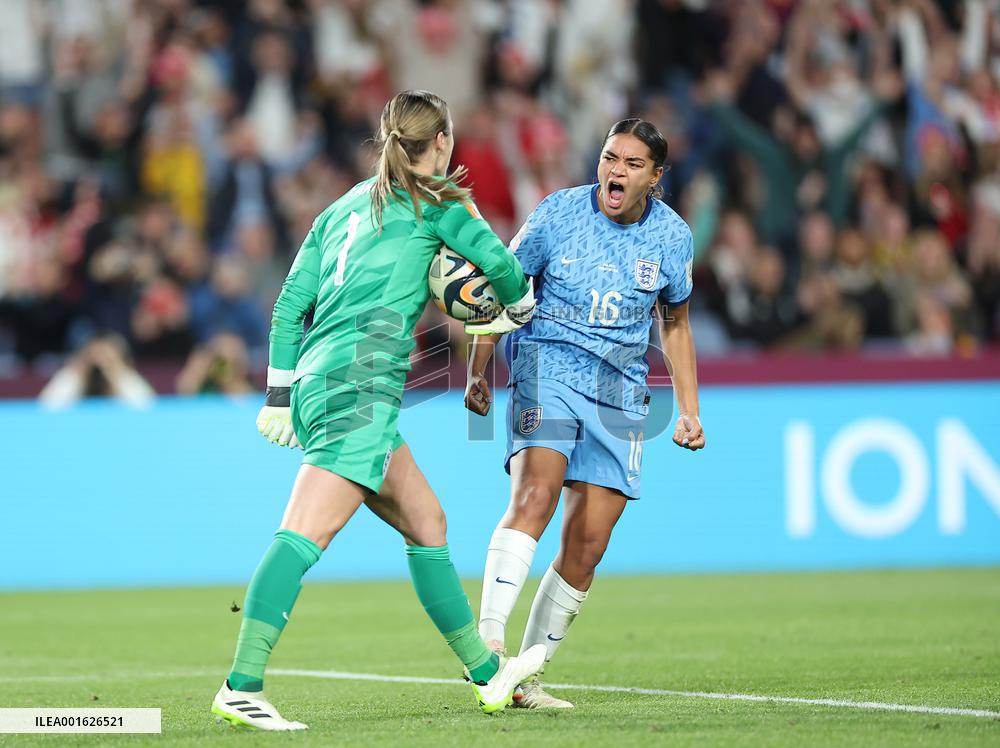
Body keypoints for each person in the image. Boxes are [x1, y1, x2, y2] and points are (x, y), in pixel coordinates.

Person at [211, 90, 545, 731]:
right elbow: (501, 264)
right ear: (442, 142)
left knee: (427, 521)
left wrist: (280, 395)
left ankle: (486, 674)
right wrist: (519, 307)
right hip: (358, 388)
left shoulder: (339, 208)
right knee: (305, 533)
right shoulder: (440, 201)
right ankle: (240, 684)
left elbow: (288, 307)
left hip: (321, 382)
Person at [465, 119, 706, 709]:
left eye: (629, 164)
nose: (614, 172)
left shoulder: (672, 239)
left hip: (621, 393)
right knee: (536, 497)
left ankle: (524, 677)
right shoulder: (556, 214)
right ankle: (487, 651)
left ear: (655, 177)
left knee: (588, 545)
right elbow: (504, 284)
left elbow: (674, 324)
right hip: (547, 364)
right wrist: (478, 367)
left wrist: (689, 410)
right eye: (607, 158)